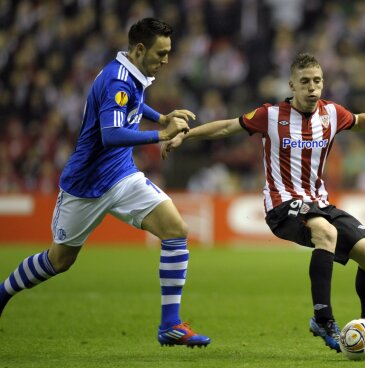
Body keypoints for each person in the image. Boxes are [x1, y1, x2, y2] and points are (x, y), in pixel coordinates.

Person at [162, 52, 365, 352]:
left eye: (317, 81)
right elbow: (227, 127)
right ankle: (323, 319)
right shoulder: (270, 115)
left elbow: (358, 121)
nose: (312, 88)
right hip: (282, 205)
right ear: (292, 85)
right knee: (325, 233)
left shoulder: (332, 113)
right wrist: (185, 136)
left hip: (319, 202)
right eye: (305, 82)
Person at [0, 18, 210, 348]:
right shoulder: (116, 80)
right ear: (140, 49)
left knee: (176, 230)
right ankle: (2, 293)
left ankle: (170, 325)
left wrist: (162, 116)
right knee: (59, 261)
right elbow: (110, 135)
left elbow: (132, 104)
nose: (166, 60)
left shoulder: (129, 71)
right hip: (85, 186)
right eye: (161, 53)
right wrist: (160, 134)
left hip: (122, 176)